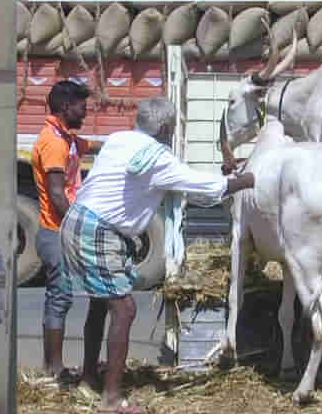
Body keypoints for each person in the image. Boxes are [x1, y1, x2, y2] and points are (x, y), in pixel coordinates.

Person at [61, 97, 255, 414]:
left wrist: (221, 181)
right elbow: (200, 188)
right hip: (98, 231)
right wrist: (244, 180)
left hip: (79, 220)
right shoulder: (157, 159)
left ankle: (88, 376)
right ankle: (111, 400)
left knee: (102, 304)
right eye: (173, 127)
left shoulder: (119, 139)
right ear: (165, 128)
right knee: (123, 309)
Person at [30, 80, 102, 385]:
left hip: (61, 230)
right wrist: (78, 226)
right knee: (59, 297)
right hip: (56, 231)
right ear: (64, 107)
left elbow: (93, 147)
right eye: (80, 105)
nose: (85, 109)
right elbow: (58, 195)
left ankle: (52, 366)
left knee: (60, 296)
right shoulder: (54, 143)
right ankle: (54, 368)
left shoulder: (67, 139)